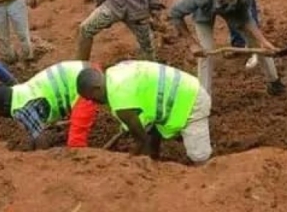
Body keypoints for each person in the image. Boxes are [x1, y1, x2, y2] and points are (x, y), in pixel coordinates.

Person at [168, 0, 285, 96]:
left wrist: (263, 41)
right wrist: (191, 43)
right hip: (205, 10)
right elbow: (175, 14)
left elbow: (246, 19)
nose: (227, 1)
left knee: (257, 44)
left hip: (234, 12)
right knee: (205, 52)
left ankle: (275, 83)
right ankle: (203, 98)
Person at [76, 61, 212, 164]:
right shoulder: (114, 72)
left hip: (192, 102)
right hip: (185, 85)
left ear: (96, 89)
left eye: (91, 98)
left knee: (199, 158)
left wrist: (130, 162)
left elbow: (142, 141)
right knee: (151, 129)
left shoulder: (121, 103)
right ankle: (155, 158)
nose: (93, 103)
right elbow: (145, 126)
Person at [0, 61, 98, 149]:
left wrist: (42, 159)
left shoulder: (20, 108)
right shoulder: (22, 91)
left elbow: (40, 138)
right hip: (86, 71)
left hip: (85, 86)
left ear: (5, 107)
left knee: (75, 143)